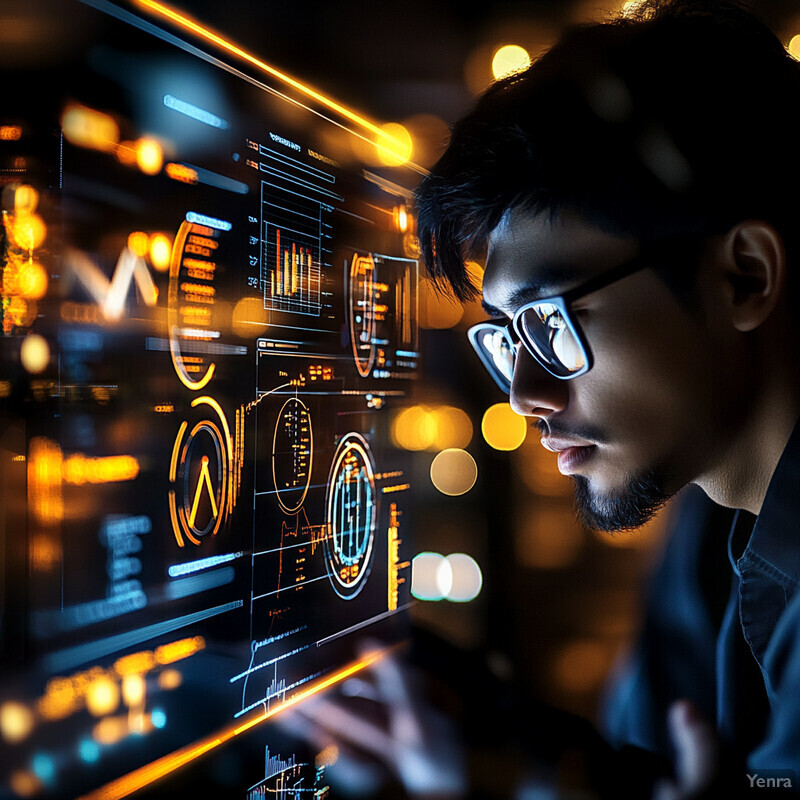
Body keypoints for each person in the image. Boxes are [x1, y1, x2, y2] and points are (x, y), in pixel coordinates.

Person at [280, 0, 800, 796]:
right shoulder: (725, 538)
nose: (524, 393)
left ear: (745, 276)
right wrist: (521, 750)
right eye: (505, 338)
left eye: (549, 321)